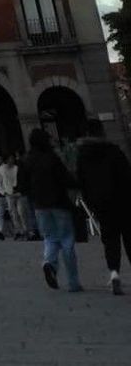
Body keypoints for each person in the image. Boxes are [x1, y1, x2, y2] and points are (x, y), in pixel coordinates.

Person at [18, 127, 82, 292]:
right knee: (67, 241)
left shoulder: (26, 160)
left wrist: (34, 194)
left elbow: (22, 186)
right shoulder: (52, 158)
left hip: (40, 206)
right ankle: (73, 282)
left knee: (50, 238)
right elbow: (66, 178)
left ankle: (49, 263)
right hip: (59, 203)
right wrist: (78, 183)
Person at [73, 120, 131, 295]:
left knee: (109, 240)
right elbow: (127, 176)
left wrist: (91, 204)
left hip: (101, 205)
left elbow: (81, 183)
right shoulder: (113, 151)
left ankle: (114, 274)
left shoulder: (82, 156)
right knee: (129, 237)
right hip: (123, 202)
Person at [0, 155, 16, 239]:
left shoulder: (0, 170)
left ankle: (16, 230)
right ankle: (1, 231)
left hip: (5, 194)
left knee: (11, 212)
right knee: (1, 213)